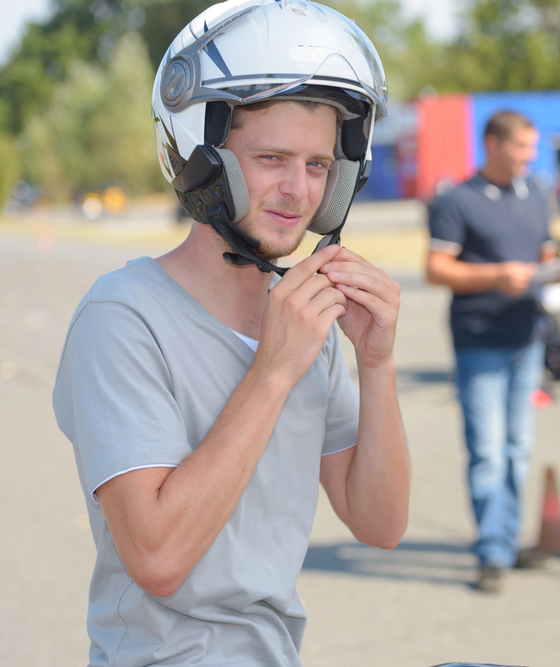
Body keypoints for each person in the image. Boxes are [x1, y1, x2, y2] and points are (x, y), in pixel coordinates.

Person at [52, 1, 410, 664]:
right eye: (271, 156)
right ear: (201, 158)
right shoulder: (123, 317)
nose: (298, 191)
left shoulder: (306, 320)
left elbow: (380, 523)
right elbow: (157, 556)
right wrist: (272, 372)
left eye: (317, 165)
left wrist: (377, 361)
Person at [425, 111, 556, 592]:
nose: (529, 156)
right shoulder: (458, 201)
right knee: (487, 452)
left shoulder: (537, 196)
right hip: (479, 339)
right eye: (522, 146)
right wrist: (497, 276)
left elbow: (545, 255)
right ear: (492, 144)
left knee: (518, 448)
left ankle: (505, 537)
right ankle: (491, 551)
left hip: (527, 338)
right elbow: (436, 268)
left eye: (531, 147)